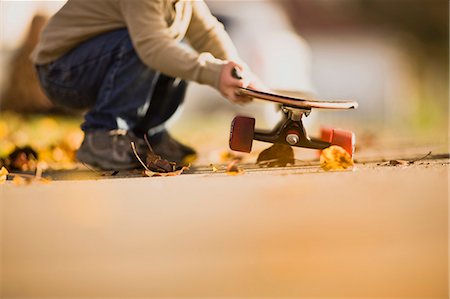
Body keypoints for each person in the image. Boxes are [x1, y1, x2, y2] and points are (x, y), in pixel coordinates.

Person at [32, 0, 261, 170]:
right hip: (61, 71)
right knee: (155, 46)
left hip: (91, 64)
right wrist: (214, 73)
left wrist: (239, 72)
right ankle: (104, 136)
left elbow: (207, 33)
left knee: (173, 49)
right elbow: (153, 48)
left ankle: (149, 137)